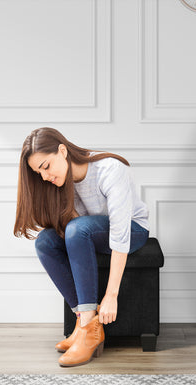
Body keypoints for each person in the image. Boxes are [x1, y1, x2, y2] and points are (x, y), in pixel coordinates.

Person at [13, 127, 150, 367]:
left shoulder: (109, 169)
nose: (44, 176)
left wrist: (111, 295)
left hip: (132, 230)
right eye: (38, 172)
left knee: (78, 229)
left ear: (62, 151)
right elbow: (70, 230)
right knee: (45, 241)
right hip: (91, 232)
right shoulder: (59, 183)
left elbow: (119, 232)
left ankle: (87, 329)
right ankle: (84, 322)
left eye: (46, 166)